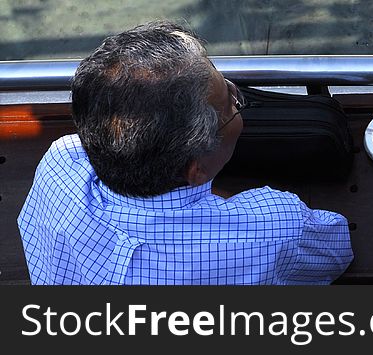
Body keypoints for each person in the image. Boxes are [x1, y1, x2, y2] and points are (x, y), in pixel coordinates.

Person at [17, 21, 353, 285]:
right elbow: (335, 249)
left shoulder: (60, 163)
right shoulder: (271, 228)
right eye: (232, 104)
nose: (238, 102)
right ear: (196, 170)